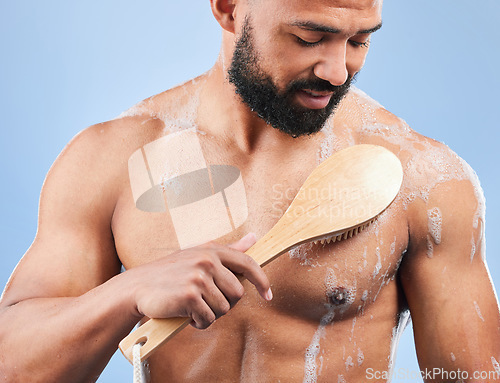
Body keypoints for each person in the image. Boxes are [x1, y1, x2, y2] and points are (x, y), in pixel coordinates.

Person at [1, 0, 499, 382]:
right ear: (228, 8)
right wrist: (127, 294)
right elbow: (13, 366)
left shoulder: (423, 180)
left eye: (360, 41)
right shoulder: (111, 161)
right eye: (309, 37)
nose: (337, 71)